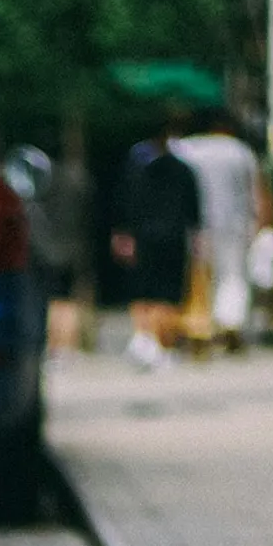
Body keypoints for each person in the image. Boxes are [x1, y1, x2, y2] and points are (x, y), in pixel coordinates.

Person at [174, 108, 272, 351]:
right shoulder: (240, 150)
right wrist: (263, 222)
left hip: (196, 225)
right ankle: (231, 322)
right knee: (233, 275)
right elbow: (257, 191)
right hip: (236, 223)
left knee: (197, 276)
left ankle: (198, 325)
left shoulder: (185, 149)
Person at [113, 116, 201, 368]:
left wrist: (122, 234)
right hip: (174, 237)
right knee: (169, 294)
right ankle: (164, 345)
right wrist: (196, 239)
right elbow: (194, 210)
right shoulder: (183, 169)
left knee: (143, 291)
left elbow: (124, 204)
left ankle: (143, 337)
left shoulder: (136, 168)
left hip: (143, 237)